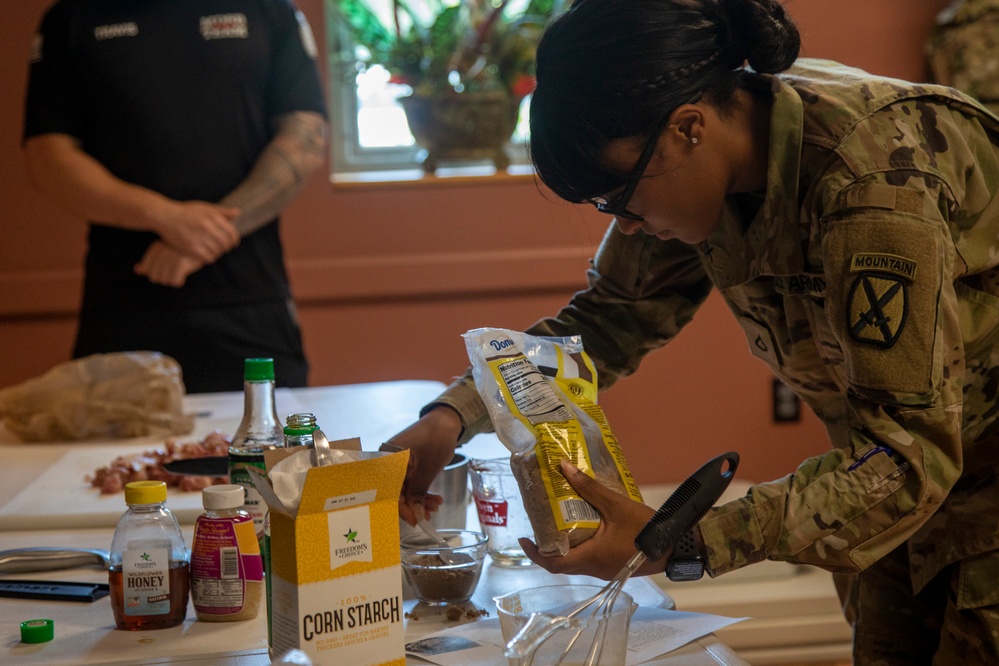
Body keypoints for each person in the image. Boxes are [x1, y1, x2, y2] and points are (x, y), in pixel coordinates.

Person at [382, 0, 999, 663]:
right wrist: (455, 414)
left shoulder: (873, 186)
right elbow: (614, 315)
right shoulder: (701, 157)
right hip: (884, 488)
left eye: (619, 195)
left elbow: (907, 456)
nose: (624, 224)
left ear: (687, 128)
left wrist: (679, 537)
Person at [22, 0, 328, 393]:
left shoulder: (269, 10)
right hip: (122, 305)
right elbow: (48, 159)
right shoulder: (71, 17)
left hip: (250, 303)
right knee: (108, 456)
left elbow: (305, 141)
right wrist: (164, 217)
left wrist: (206, 234)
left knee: (268, 451)